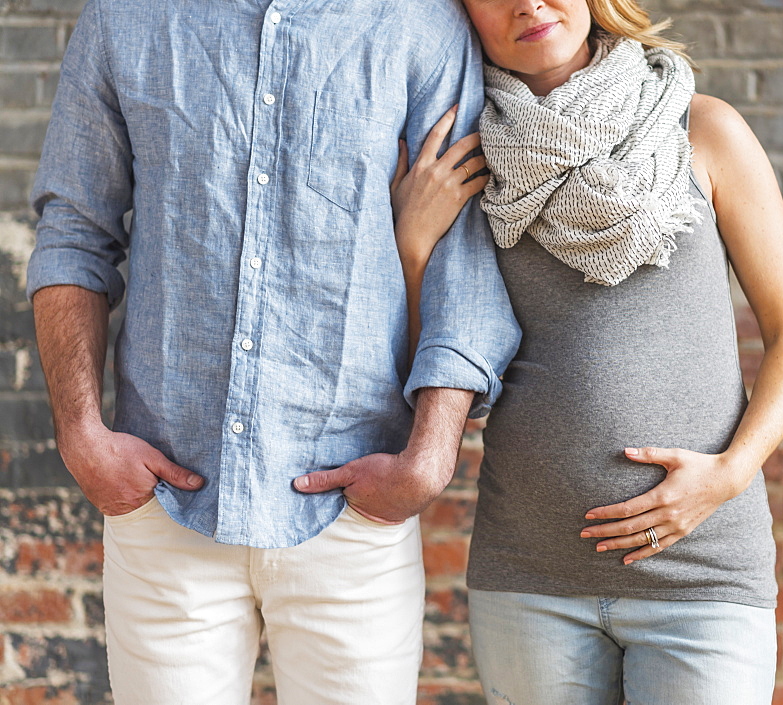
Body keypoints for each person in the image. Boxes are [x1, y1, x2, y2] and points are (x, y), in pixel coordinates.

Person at [27, 1, 519, 703]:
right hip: (167, 507)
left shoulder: (417, 21)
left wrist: (431, 454)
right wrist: (81, 431)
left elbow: (463, 249)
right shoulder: (124, 16)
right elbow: (75, 228)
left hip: (353, 508)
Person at [390, 0, 783, 702]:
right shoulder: (465, 167)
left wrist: (729, 473)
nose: (527, 3)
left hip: (704, 574)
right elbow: (434, 375)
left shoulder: (702, 130)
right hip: (529, 577)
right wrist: (413, 248)